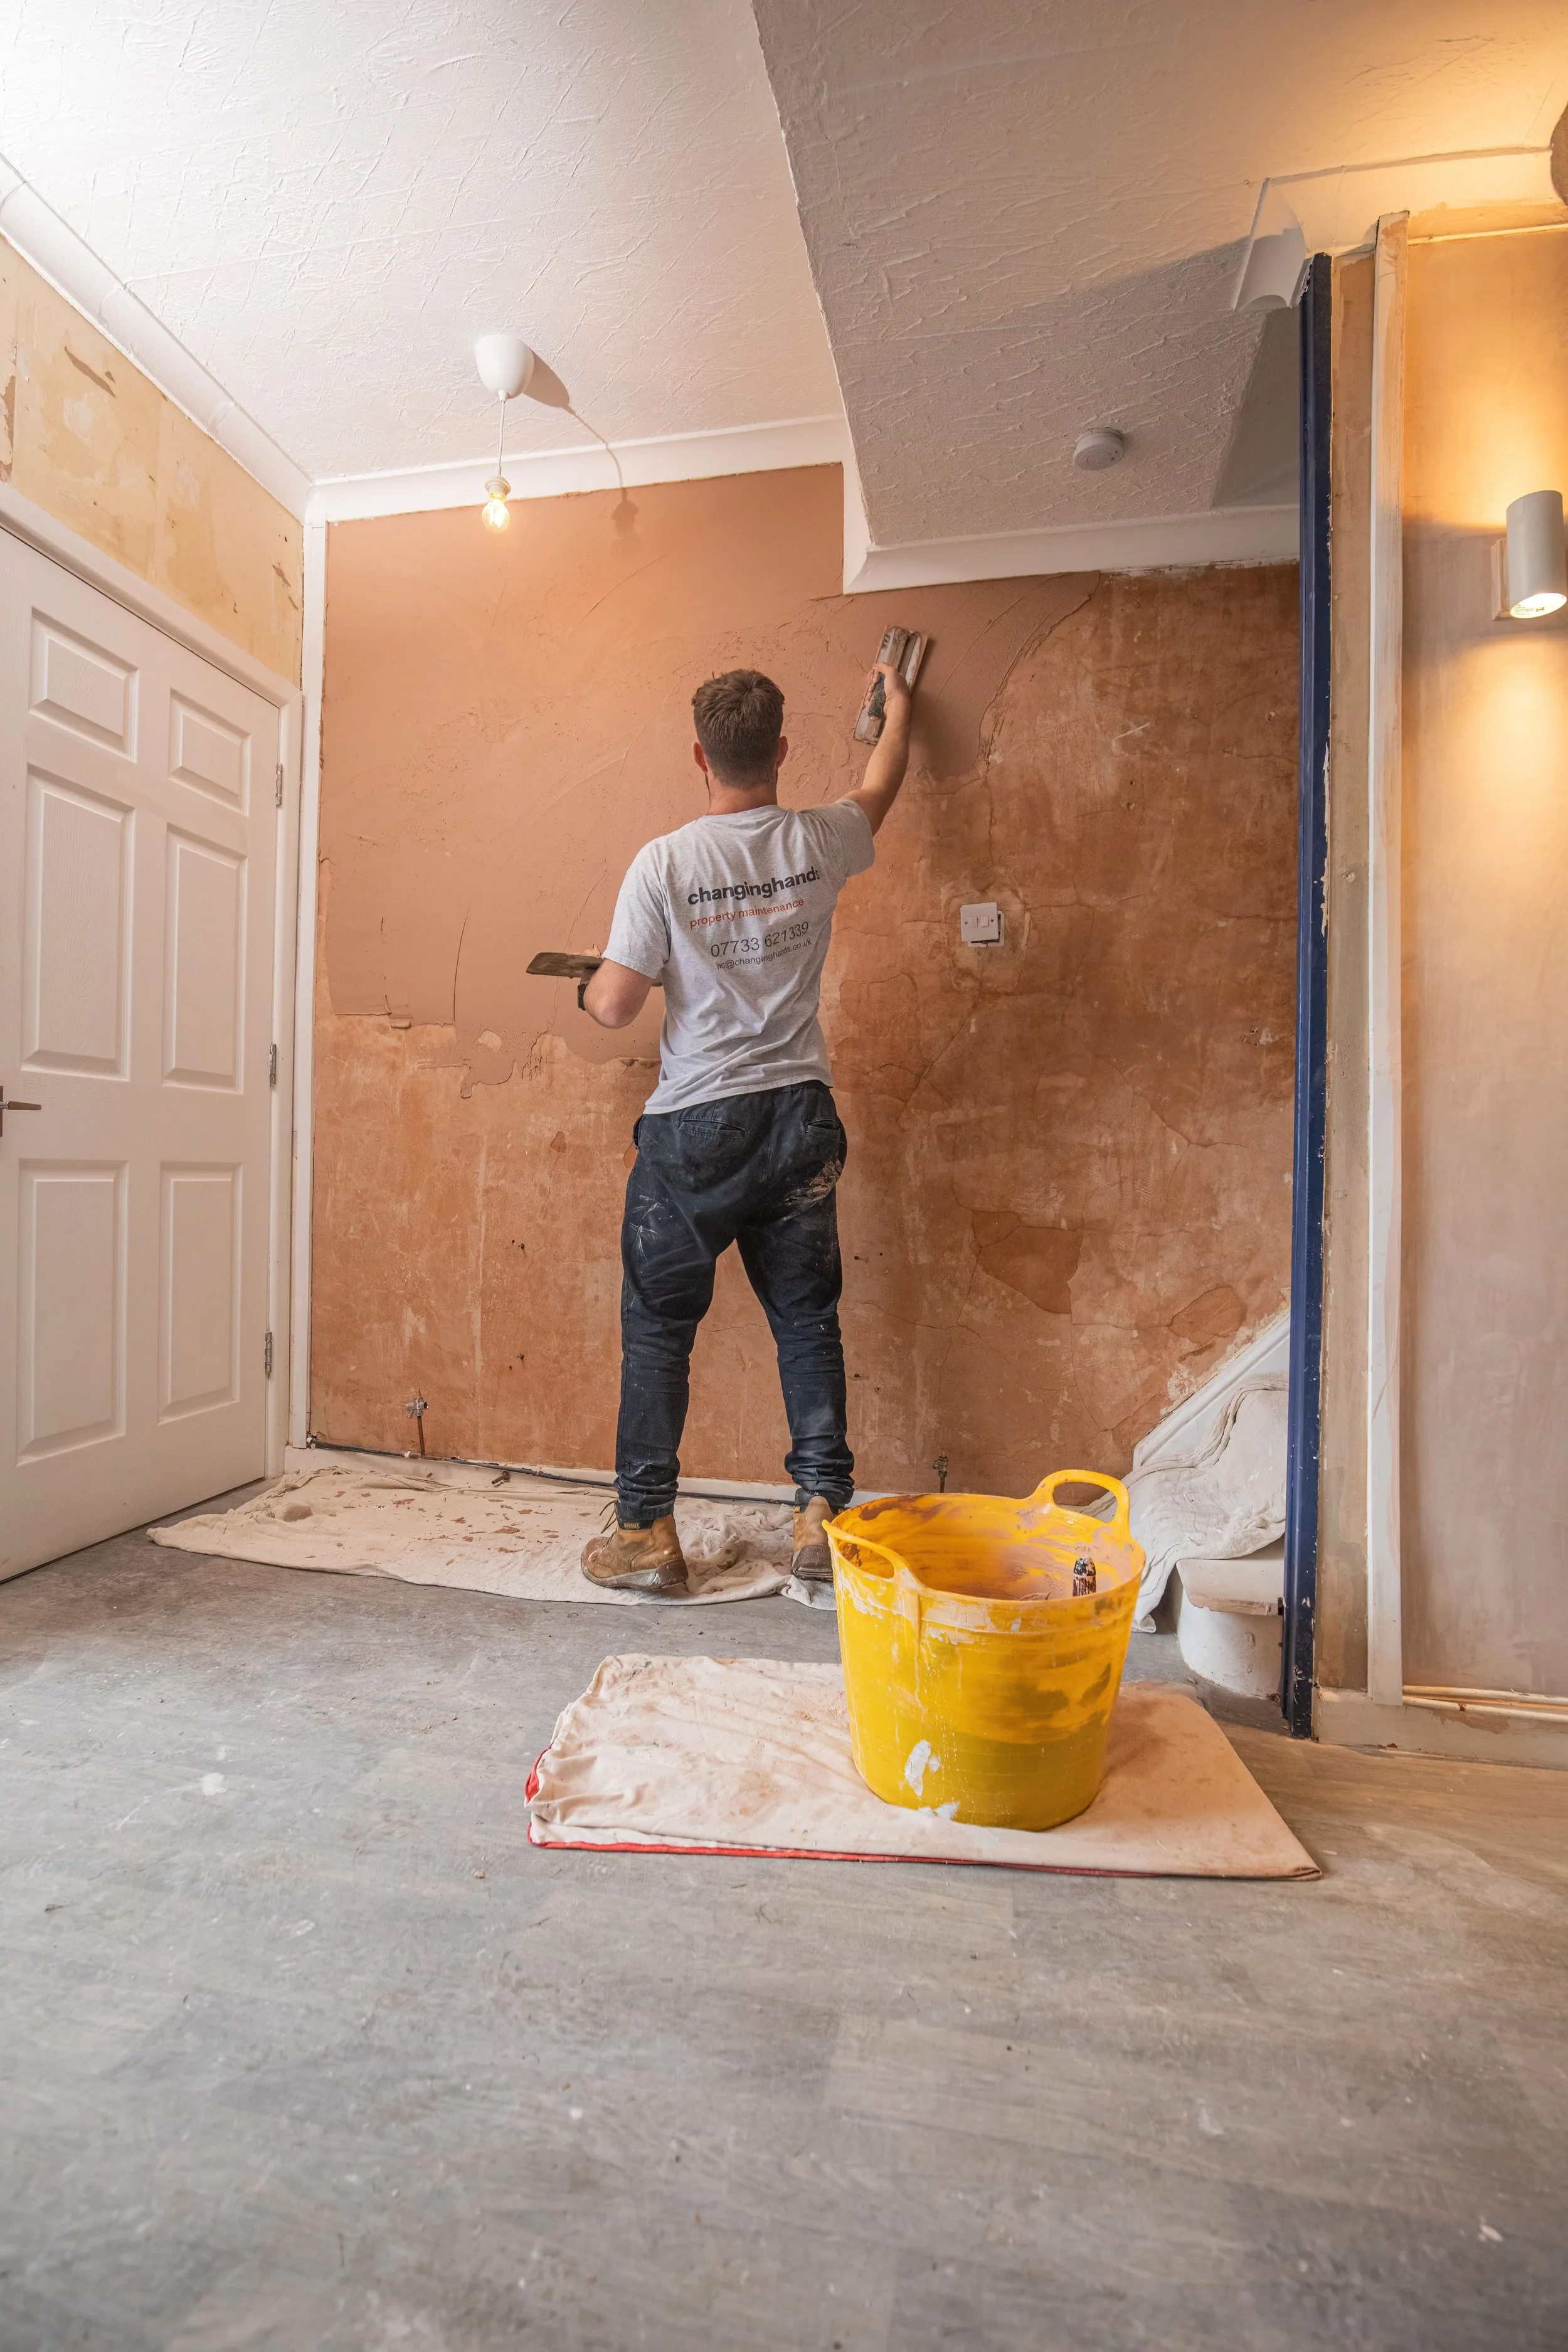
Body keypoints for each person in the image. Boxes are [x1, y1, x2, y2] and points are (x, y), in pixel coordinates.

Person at [576, 659, 914, 1594]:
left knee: (657, 1333)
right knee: (807, 1322)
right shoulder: (819, 839)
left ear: (701, 756)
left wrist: (590, 982)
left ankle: (645, 1532)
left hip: (696, 1129)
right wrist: (898, 713)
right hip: (798, 1117)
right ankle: (821, 1516)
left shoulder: (668, 861)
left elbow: (613, 1006)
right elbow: (881, 784)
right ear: (781, 751)